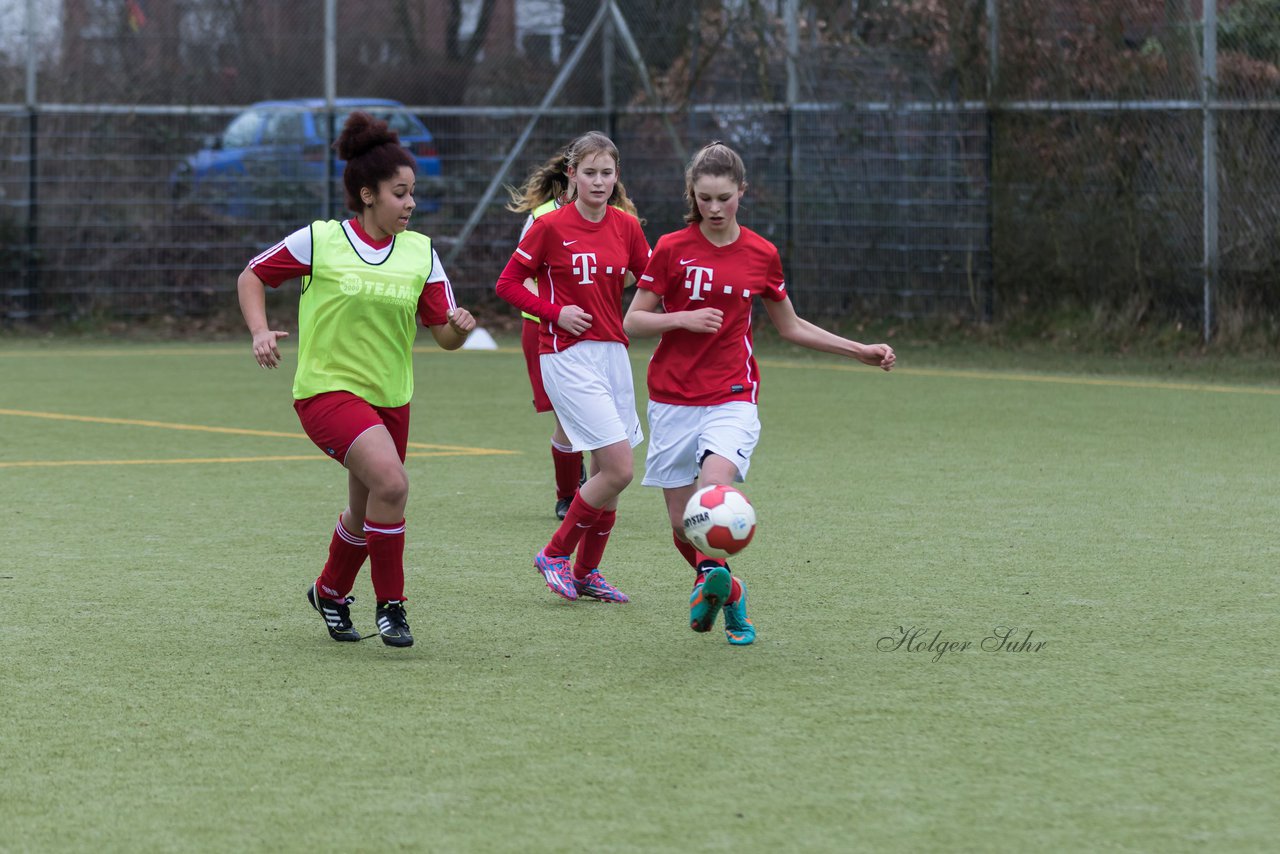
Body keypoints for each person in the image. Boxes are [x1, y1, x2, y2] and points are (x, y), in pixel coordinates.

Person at [623, 141, 895, 645]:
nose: (714, 208)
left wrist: (856, 349)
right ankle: (729, 590)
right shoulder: (671, 248)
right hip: (671, 398)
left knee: (712, 496)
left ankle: (714, 581)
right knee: (685, 527)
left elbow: (789, 326)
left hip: (732, 395)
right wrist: (680, 317)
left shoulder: (760, 254)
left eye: (724, 197)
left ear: (742, 192)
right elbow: (633, 320)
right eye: (704, 198)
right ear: (693, 195)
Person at [236, 111, 476, 648]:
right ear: (367, 195)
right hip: (326, 390)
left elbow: (441, 334)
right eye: (400, 193)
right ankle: (392, 605)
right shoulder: (321, 242)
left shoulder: (421, 253)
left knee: (368, 509)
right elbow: (252, 274)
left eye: (413, 192)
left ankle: (329, 590)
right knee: (392, 484)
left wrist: (459, 329)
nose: (410, 203)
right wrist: (259, 331)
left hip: (391, 399)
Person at [495, 131, 651, 604]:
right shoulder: (549, 226)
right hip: (566, 356)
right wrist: (554, 311)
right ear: (572, 175)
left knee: (611, 476)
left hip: (613, 355)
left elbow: (651, 280)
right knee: (619, 469)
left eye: (607, 173)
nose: (599, 181)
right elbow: (507, 283)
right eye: (590, 173)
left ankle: (587, 572)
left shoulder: (627, 227)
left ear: (616, 176)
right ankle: (555, 553)